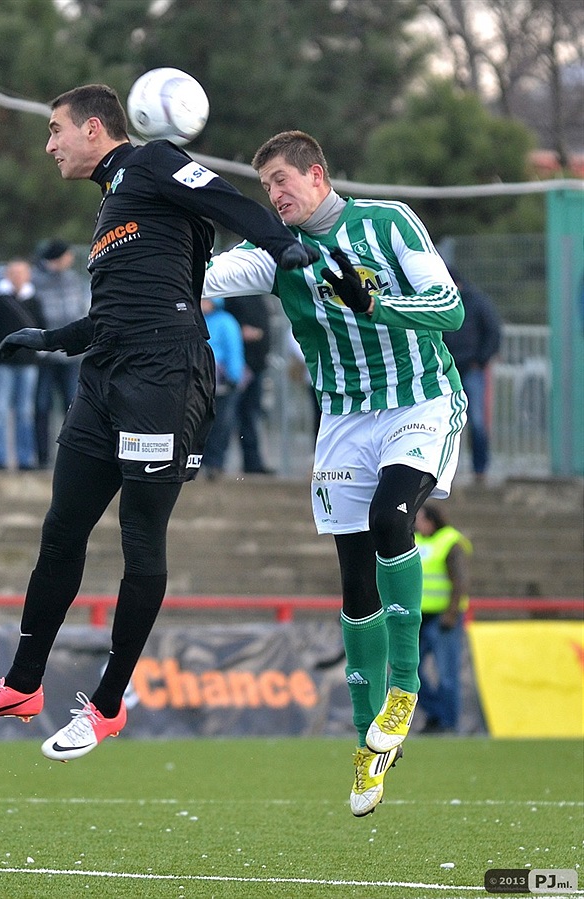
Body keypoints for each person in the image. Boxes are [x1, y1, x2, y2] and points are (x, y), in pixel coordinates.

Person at [0, 84, 318, 760]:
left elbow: (226, 199)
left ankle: (108, 705)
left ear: (94, 129)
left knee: (140, 540)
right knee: (61, 529)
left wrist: (279, 242)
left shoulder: (151, 160)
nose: (49, 145)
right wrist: (50, 338)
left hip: (164, 377)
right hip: (105, 376)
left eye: (55, 129)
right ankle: (22, 685)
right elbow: (113, 314)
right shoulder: (116, 201)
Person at [203, 130, 467, 816]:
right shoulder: (275, 250)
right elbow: (205, 279)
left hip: (418, 400)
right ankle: (366, 744)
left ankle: (404, 688)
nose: (274, 195)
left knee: (391, 518)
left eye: (282, 180)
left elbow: (450, 307)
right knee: (354, 583)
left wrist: (375, 304)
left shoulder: (388, 223)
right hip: (344, 419)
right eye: (266, 186)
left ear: (317, 175)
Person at [32, 239, 90, 468]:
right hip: (46, 356)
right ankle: (42, 457)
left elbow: (81, 310)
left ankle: (72, 455)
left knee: (73, 406)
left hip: (71, 355)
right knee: (42, 406)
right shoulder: (36, 280)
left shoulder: (73, 279)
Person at [414, 503, 472, 734]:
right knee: (408, 671)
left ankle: (448, 722)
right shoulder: (415, 540)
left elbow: (460, 581)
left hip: (443, 617)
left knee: (447, 673)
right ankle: (437, 713)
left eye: (420, 519)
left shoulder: (450, 541)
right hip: (418, 617)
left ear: (431, 521)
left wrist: (451, 614)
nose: (416, 523)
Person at [441, 270, 501, 483]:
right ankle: (446, 471)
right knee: (444, 423)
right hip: (447, 370)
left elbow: (493, 331)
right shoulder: (443, 301)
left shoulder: (477, 302)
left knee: (476, 421)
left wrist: (481, 360)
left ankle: (480, 470)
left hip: (471, 369)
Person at [0, 259, 45, 470]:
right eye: (14, 273)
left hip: (28, 363)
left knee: (25, 412)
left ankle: (25, 458)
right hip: (1, 363)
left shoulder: (34, 300)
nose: (18, 277)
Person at [223, 294, 274, 473]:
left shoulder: (258, 295)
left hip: (255, 366)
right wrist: (241, 330)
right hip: (237, 368)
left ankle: (253, 462)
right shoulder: (233, 294)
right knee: (226, 417)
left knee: (251, 415)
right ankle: (215, 464)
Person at [200, 296, 246, 479]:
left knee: (220, 425)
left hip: (222, 384)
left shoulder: (226, 321)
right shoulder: (197, 320)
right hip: (200, 383)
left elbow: (234, 350)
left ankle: (215, 464)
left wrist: (234, 377)